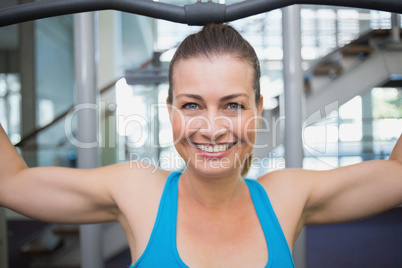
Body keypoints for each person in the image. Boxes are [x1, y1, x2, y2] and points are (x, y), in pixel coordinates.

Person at [0, 23, 401, 268]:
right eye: (191, 105)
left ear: (258, 110)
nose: (211, 129)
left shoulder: (288, 196)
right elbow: (11, 182)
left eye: (233, 105)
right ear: (169, 109)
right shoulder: (137, 190)